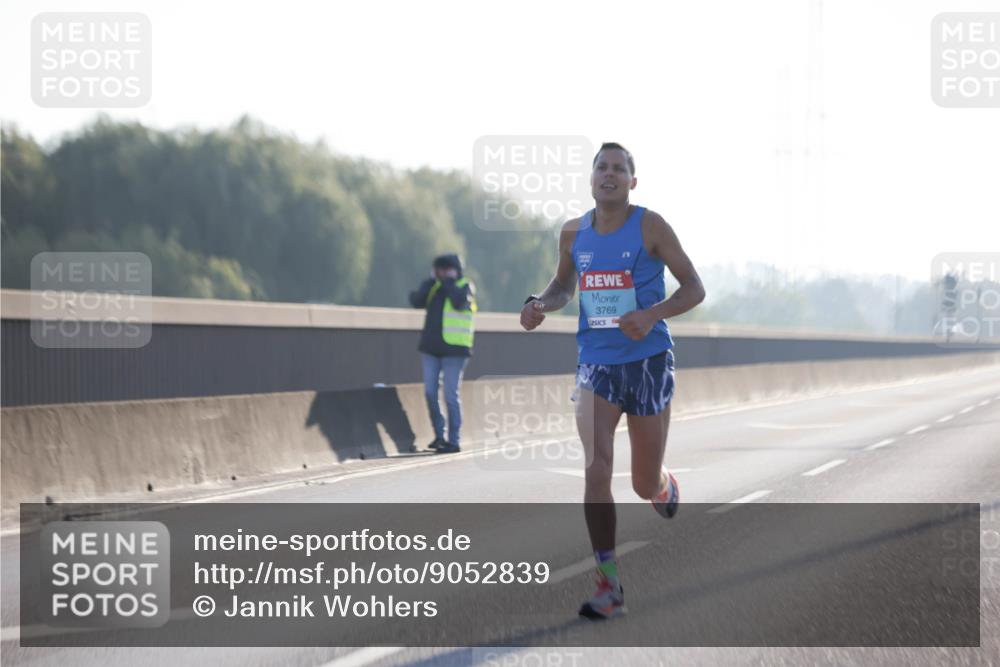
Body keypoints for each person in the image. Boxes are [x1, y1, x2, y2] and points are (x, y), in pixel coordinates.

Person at [519, 143, 705, 619]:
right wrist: (539, 303)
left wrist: (651, 315)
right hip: (596, 364)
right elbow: (564, 285)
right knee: (597, 467)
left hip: (647, 361)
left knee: (642, 482)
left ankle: (663, 486)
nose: (609, 174)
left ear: (632, 182)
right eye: (602, 166)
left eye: (619, 169)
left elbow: (694, 287)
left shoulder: (651, 226)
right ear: (591, 178)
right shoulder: (573, 233)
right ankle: (609, 585)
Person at [409, 254, 477, 454]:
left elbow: (458, 302)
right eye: (439, 269)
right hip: (431, 348)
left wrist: (448, 281)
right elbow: (416, 300)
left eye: (447, 269)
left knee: (450, 394)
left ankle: (453, 440)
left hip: (455, 350)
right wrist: (431, 281)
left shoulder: (465, 286)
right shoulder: (433, 286)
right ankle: (439, 435)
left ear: (456, 269)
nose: (442, 273)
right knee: (430, 392)